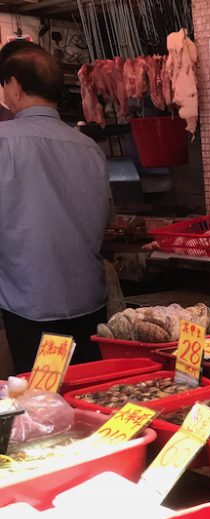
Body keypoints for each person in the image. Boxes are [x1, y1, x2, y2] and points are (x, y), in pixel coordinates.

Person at [0, 44, 110, 371]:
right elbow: (106, 216)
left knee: (43, 409)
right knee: (88, 396)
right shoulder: (89, 148)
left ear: (15, 86)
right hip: (89, 303)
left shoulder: (3, 140)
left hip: (29, 308)